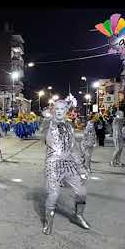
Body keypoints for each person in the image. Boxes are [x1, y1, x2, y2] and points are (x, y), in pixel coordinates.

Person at [40, 100, 90, 235]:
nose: (59, 111)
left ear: (66, 111)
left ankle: (78, 215)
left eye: (62, 109)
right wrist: (46, 116)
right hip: (53, 163)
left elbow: (74, 147)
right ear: (53, 109)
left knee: (82, 191)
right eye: (56, 108)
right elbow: (43, 130)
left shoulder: (69, 126)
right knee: (54, 194)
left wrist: (81, 168)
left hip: (69, 163)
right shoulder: (48, 124)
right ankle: (48, 223)